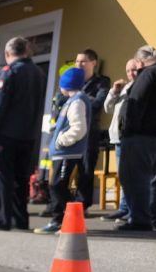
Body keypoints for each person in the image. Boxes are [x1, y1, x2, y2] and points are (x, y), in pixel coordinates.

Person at [0, 37, 46, 231]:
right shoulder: (38, 73)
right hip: (28, 134)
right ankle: (19, 219)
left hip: (5, 134)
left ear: (8, 54)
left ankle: (0, 219)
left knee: (1, 177)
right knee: (20, 179)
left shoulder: (9, 72)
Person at [34, 67, 90, 234]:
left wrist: (60, 141)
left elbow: (79, 128)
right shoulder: (71, 101)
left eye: (61, 84)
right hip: (63, 153)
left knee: (59, 186)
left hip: (67, 152)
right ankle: (65, 221)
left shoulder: (77, 101)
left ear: (67, 85)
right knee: (58, 186)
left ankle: (60, 221)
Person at [117, 45, 156, 231]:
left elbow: (136, 103)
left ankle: (140, 219)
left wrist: (127, 129)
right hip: (152, 135)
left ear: (139, 61)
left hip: (140, 135)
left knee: (135, 178)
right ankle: (151, 217)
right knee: (151, 180)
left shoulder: (147, 74)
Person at [100, 58, 141, 221]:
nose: (131, 73)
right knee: (123, 175)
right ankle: (124, 208)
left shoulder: (142, 86)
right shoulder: (124, 88)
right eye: (128, 70)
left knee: (132, 175)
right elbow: (108, 108)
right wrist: (114, 92)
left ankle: (131, 210)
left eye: (134, 70)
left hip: (131, 137)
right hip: (117, 137)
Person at [71, 49, 111, 213]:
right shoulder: (74, 80)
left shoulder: (102, 81)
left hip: (89, 130)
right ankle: (58, 205)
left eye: (83, 61)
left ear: (93, 63)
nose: (78, 64)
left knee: (86, 168)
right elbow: (61, 99)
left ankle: (82, 205)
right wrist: (85, 100)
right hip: (71, 130)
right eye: (77, 61)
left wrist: (76, 101)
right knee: (65, 167)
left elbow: (98, 103)